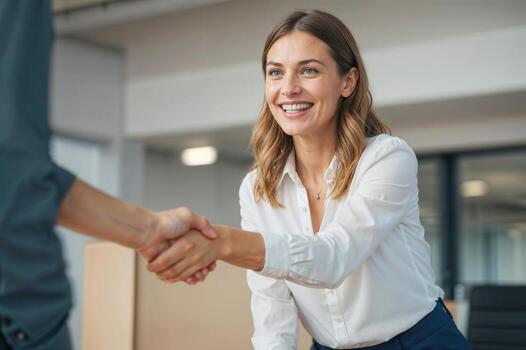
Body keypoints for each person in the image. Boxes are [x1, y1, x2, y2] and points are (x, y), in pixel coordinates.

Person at [148, 9, 470, 350]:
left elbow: (334, 258)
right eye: (276, 73)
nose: (288, 88)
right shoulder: (258, 188)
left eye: (308, 70)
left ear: (348, 82)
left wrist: (224, 243)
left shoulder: (387, 158)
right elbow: (272, 306)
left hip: (418, 340)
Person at [0, 1, 214, 349]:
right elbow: (13, 164)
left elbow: (20, 173)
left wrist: (147, 229)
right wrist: (33, 314)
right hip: (19, 319)